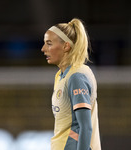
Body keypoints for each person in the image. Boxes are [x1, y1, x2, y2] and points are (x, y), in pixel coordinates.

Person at [41, 18, 101, 150]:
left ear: (66, 46)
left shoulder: (76, 77)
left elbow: (85, 126)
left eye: (49, 43)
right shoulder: (61, 75)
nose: (43, 49)